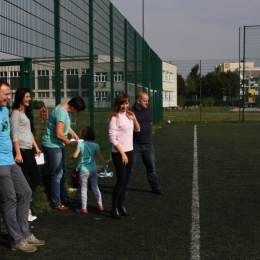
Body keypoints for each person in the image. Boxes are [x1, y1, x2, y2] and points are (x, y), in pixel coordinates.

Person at [0, 81, 44, 253]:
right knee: (9, 199)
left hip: (10, 160)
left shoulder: (4, 110)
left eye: (9, 94)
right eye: (5, 94)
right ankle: (16, 239)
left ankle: (25, 234)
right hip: (1, 164)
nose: (8, 97)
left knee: (25, 191)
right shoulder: (12, 113)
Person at [41, 96, 86, 211]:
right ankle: (56, 202)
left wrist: (72, 133)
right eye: (78, 110)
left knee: (62, 171)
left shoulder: (64, 109)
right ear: (74, 107)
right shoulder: (62, 113)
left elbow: (64, 125)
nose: (77, 113)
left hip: (58, 145)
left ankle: (63, 197)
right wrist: (71, 143)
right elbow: (59, 134)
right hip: (52, 145)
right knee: (56, 174)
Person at [10, 88, 42, 222]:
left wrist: (36, 147)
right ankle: (23, 211)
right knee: (22, 182)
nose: (29, 99)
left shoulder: (25, 114)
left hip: (29, 150)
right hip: (21, 151)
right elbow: (14, 134)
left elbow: (29, 133)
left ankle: (23, 206)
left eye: (30, 96)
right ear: (20, 98)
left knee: (36, 178)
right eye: (27, 97)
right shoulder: (16, 114)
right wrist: (17, 152)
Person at [108, 93, 140, 219]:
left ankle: (121, 206)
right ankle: (114, 208)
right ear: (118, 104)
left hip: (129, 151)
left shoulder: (128, 115)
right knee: (121, 181)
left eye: (126, 103)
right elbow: (112, 138)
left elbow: (137, 129)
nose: (124, 106)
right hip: (119, 153)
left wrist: (134, 119)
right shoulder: (114, 118)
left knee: (126, 181)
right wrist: (122, 153)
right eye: (122, 103)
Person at [126, 91, 163, 195]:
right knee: (130, 170)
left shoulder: (149, 111)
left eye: (148, 101)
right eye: (145, 101)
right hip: (134, 146)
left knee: (152, 168)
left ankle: (156, 187)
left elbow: (150, 123)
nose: (147, 103)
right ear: (138, 101)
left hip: (148, 145)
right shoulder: (130, 112)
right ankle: (125, 190)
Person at [70, 126, 110, 214]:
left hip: (83, 170)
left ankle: (84, 208)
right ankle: (100, 205)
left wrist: (71, 156)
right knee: (95, 187)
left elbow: (75, 156)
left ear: (82, 135)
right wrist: (105, 166)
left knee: (84, 188)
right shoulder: (95, 145)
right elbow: (100, 157)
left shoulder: (81, 144)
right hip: (93, 170)